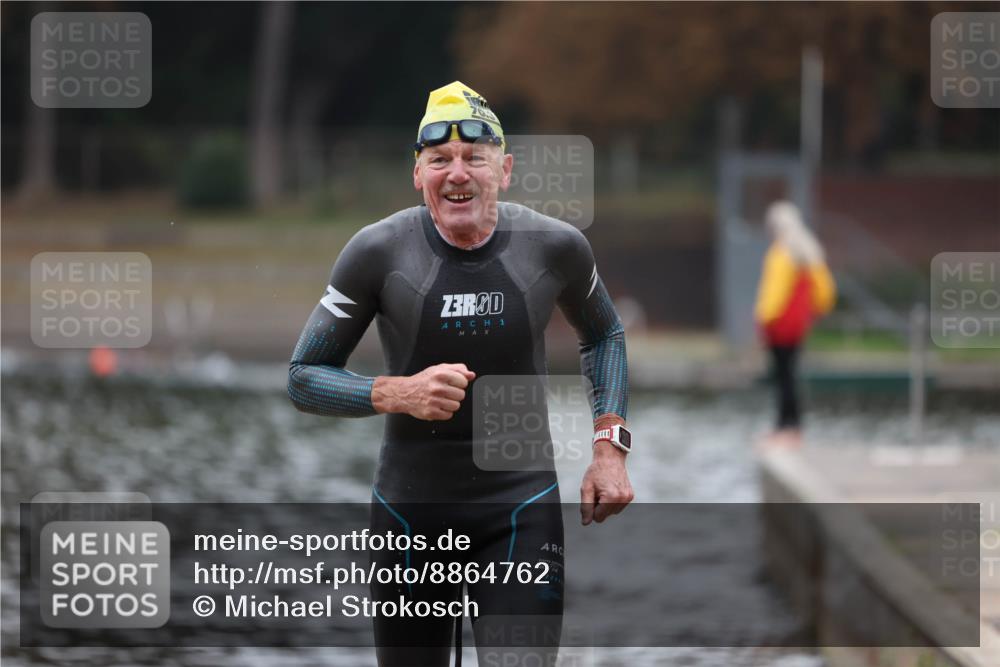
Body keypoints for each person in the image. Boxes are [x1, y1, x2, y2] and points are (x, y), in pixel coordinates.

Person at [287, 81, 633, 667]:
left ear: (505, 170)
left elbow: (605, 334)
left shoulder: (555, 246)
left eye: (474, 157)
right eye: (439, 160)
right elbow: (303, 375)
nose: (458, 173)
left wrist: (609, 447)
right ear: (416, 174)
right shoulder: (376, 252)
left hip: (519, 510)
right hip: (409, 518)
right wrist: (398, 392)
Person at [754, 200, 836, 446]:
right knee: (790, 375)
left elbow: (774, 293)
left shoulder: (781, 253)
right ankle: (793, 426)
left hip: (779, 326)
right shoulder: (810, 251)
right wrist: (817, 310)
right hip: (798, 325)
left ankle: (785, 426)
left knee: (782, 376)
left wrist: (763, 319)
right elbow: (825, 291)